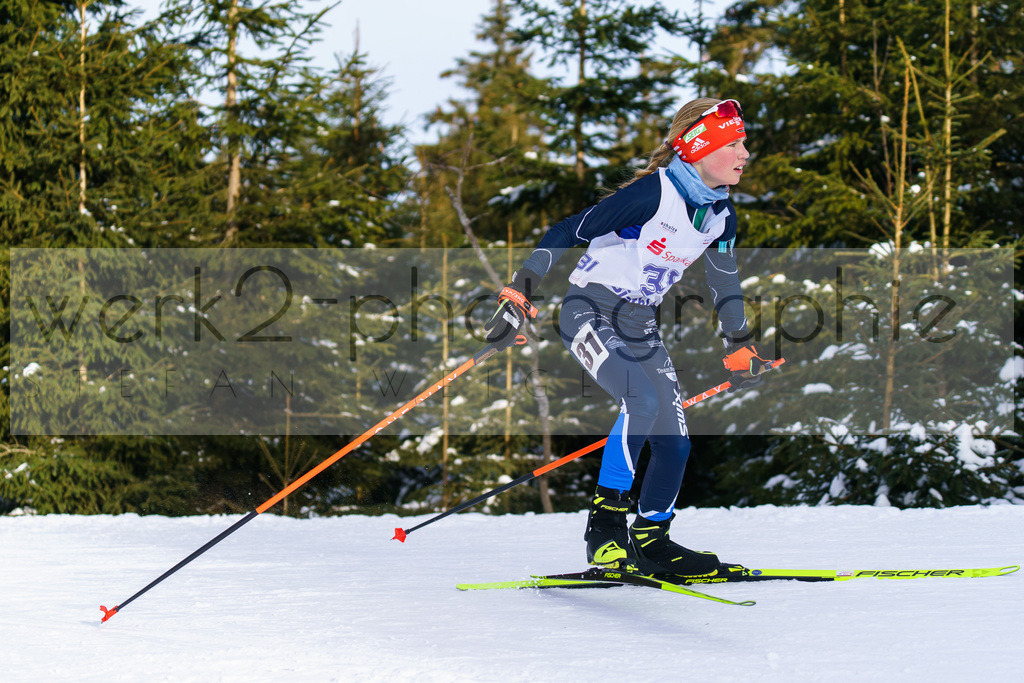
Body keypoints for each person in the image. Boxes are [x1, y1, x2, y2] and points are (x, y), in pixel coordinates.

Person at [483, 98, 771, 577]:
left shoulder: (721, 215)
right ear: (701, 148)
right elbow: (566, 229)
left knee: (675, 442)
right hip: (587, 311)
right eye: (735, 143)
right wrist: (519, 293)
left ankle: (652, 541)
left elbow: (724, 282)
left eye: (744, 143)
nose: (745, 153)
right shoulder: (651, 195)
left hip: (639, 324)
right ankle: (605, 531)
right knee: (640, 401)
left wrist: (739, 343)